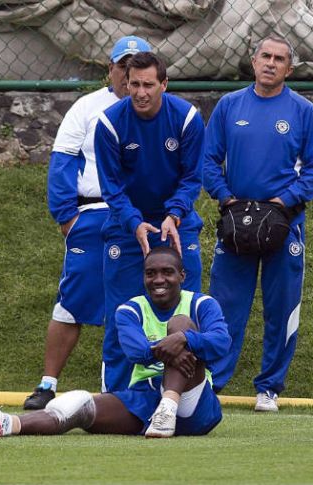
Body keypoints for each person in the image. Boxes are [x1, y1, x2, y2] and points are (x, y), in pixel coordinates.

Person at [0, 247, 230, 439]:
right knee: (80, 404)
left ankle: (169, 407)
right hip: (146, 398)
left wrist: (183, 339)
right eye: (151, 273)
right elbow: (136, 352)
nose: (158, 280)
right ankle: (6, 424)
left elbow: (221, 343)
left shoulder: (200, 303)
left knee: (180, 323)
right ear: (143, 276)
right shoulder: (129, 309)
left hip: (193, 402)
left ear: (182, 276)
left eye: (167, 272)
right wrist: (173, 349)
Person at [23, 36, 153, 410]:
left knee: (140, 300)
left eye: (136, 66)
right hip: (94, 215)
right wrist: (68, 218)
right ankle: (48, 384)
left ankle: (128, 389)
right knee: (73, 299)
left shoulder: (156, 111)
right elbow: (62, 162)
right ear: (109, 69)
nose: (128, 74)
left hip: (142, 216)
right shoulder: (86, 108)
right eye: (122, 66)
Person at [202, 35, 313, 412]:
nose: (271, 63)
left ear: (289, 69)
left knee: (281, 306)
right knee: (224, 307)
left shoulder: (303, 111)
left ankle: (269, 388)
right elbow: (208, 161)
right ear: (253, 61)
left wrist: (284, 204)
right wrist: (226, 198)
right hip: (235, 223)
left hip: (284, 225)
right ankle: (213, 383)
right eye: (265, 56)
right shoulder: (229, 106)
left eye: (280, 59)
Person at [94, 51, 206, 394]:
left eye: (148, 85)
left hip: (177, 222)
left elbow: (192, 178)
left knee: (188, 311)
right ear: (124, 84)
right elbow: (111, 187)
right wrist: (134, 222)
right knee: (120, 315)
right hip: (128, 227)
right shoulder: (110, 123)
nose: (141, 93)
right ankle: (116, 396)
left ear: (164, 84)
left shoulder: (187, 118)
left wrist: (174, 214)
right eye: (134, 84)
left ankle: (188, 395)